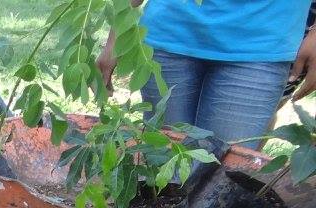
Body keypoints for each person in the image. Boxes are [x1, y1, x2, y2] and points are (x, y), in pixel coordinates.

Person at [97, 0, 316, 143]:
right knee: (161, 169)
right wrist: (116, 38)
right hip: (169, 32)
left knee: (219, 179)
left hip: (261, 44)